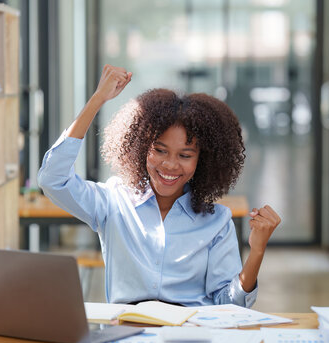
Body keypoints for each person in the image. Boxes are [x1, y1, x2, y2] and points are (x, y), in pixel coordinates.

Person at [37, 65, 281, 308]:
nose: (170, 165)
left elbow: (230, 305)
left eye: (185, 155)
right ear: (141, 148)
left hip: (191, 337)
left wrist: (257, 251)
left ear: (202, 160)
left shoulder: (217, 221)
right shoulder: (114, 203)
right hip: (129, 336)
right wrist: (98, 99)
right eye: (159, 150)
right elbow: (53, 180)